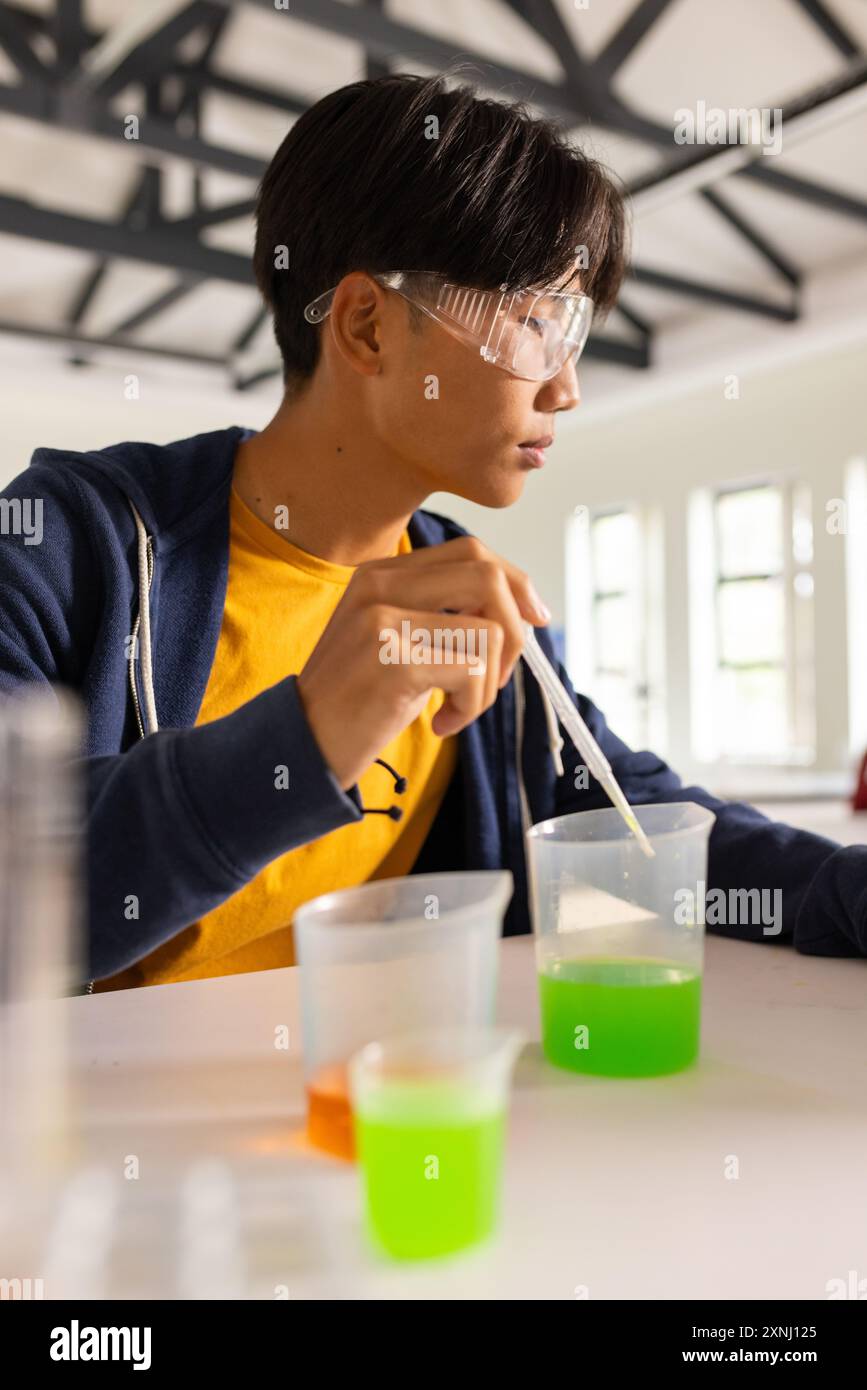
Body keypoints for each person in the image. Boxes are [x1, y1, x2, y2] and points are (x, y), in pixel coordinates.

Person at [0, 74, 863, 990]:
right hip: (103, 1130)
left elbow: (641, 822)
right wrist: (307, 736)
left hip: (402, 1116)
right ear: (368, 326)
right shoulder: (70, 545)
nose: (565, 389)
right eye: (537, 322)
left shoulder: (463, 590)